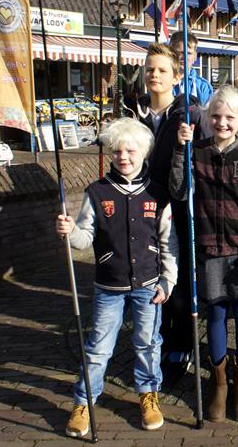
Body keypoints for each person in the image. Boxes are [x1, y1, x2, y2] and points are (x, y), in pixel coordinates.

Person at [55, 117, 178, 438]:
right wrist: (71, 231)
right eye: (118, 151)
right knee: (98, 347)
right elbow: (84, 239)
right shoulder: (96, 193)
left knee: (148, 343)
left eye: (131, 151)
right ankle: (83, 401)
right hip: (109, 286)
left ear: (144, 153)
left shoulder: (157, 194)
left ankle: (148, 394)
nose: (124, 157)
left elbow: (169, 242)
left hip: (148, 285)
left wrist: (168, 281)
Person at [170, 86, 238, 422]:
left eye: (229, 117)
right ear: (206, 119)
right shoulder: (196, 151)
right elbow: (178, 190)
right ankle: (219, 384)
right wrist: (180, 149)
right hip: (209, 249)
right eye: (215, 116)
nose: (222, 122)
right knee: (215, 315)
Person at [127, 43, 205, 381]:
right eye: (149, 69)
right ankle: (155, 337)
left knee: (181, 275)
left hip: (178, 206)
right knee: (148, 272)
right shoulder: (135, 111)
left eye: (161, 70)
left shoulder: (189, 113)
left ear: (176, 76)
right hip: (144, 205)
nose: (154, 75)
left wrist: (189, 142)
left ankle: (181, 341)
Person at [170, 30, 214, 106]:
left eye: (189, 53)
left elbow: (207, 112)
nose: (184, 57)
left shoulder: (203, 87)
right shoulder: (162, 81)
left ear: (195, 57)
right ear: (171, 54)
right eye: (179, 53)